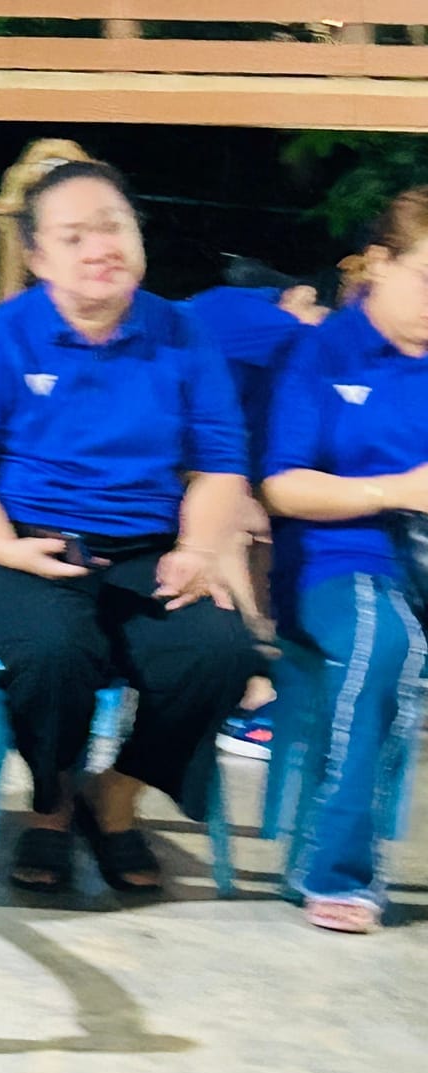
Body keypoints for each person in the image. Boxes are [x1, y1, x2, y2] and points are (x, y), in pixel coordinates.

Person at [0, 161, 261, 895]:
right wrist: (3, 545)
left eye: (113, 227)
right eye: (74, 237)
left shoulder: (183, 335)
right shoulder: (3, 338)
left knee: (219, 651)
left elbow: (220, 464)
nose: (100, 248)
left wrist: (198, 550)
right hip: (17, 537)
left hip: (146, 543)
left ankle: (115, 794)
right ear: (38, 257)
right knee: (53, 650)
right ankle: (51, 805)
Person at [260, 187, 428, 934]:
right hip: (340, 556)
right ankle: (336, 870)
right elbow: (281, 485)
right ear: (380, 263)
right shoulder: (321, 352)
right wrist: (397, 490)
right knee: (385, 641)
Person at [184, 259, 334, 760]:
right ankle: (253, 692)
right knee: (234, 525)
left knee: (262, 527)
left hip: (192, 461)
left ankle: (259, 685)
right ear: (301, 295)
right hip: (154, 465)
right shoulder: (247, 314)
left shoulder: (262, 359)